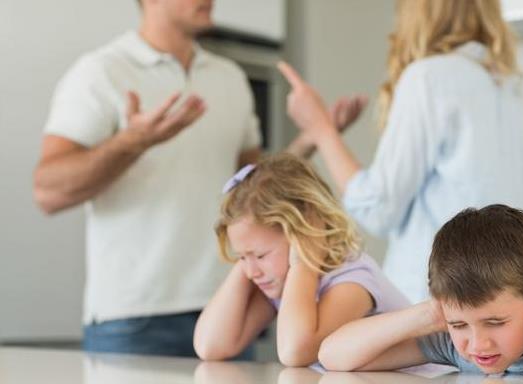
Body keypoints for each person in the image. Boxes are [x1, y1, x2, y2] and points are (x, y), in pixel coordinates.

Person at [32, 0, 363, 357]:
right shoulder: (102, 72)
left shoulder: (229, 78)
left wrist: (316, 135)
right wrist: (132, 142)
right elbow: (47, 191)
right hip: (134, 317)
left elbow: (253, 189)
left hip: (227, 307)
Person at [278, 0, 523, 303]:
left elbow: (378, 207)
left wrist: (321, 129)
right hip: (506, 309)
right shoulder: (520, 96)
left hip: (435, 306)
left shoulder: (429, 78)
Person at [318, 205, 523, 381]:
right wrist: (430, 313)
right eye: (460, 325)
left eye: (496, 322)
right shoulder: (452, 338)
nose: (478, 344)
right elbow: (334, 357)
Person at [193, 154, 410, 366]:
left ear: (306, 231)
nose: (251, 272)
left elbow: (295, 351)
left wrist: (302, 263)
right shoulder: (281, 280)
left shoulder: (353, 280)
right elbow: (210, 346)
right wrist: (249, 255)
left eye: (261, 255)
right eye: (241, 258)